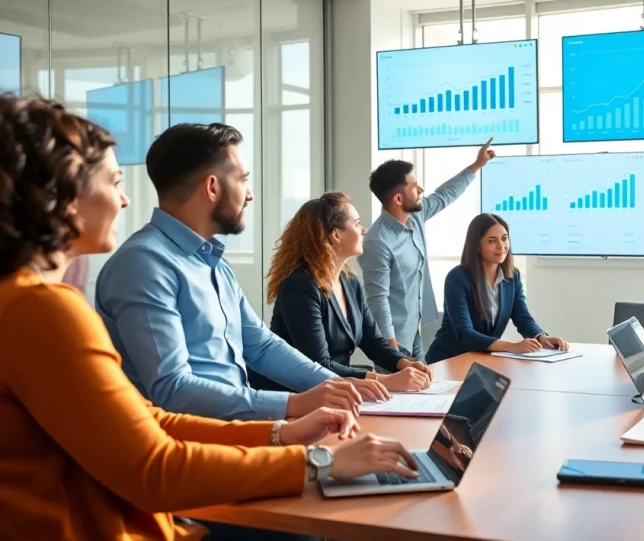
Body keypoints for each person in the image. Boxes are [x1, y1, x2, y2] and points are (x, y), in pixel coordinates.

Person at [0, 95, 419, 541]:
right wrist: (317, 459)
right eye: (114, 181)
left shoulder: (34, 303)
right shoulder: (47, 307)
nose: (124, 200)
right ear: (65, 195)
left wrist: (290, 425)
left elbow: (150, 418)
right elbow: (157, 454)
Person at [95, 123, 379, 423]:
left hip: (236, 433)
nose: (250, 195)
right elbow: (172, 389)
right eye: (243, 180)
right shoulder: (144, 264)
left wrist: (337, 386)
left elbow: (260, 345)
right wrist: (293, 405)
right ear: (213, 187)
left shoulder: (212, 261)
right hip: (191, 448)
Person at [250, 193, 434, 394]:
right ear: (336, 235)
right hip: (294, 396)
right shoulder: (299, 286)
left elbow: (373, 341)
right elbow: (318, 364)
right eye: (357, 224)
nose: (364, 230)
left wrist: (403, 363)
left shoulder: (350, 282)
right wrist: (385, 381)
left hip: (335, 392)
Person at [359, 138, 495, 361]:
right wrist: (392, 355)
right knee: (397, 396)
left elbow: (444, 195)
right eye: (414, 186)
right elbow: (378, 300)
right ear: (398, 198)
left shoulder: (415, 218)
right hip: (393, 342)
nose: (421, 189)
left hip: (414, 332)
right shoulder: (377, 242)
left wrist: (476, 166)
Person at [425, 213, 566, 364]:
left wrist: (542, 337)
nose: (501, 246)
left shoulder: (512, 277)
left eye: (504, 238)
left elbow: (523, 318)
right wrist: (511, 346)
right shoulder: (457, 278)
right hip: (448, 360)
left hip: (480, 360)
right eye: (492, 240)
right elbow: (464, 333)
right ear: (477, 246)